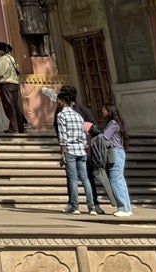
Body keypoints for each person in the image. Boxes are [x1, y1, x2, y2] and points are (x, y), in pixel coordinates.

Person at [54, 84, 99, 214]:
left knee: (73, 179)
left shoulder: (61, 115)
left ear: (62, 101)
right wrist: (86, 148)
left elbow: (62, 135)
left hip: (70, 150)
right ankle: (91, 207)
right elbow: (84, 134)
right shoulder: (79, 115)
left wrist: (62, 153)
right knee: (85, 179)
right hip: (81, 150)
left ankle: (75, 206)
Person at [98, 105, 131, 217]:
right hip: (120, 152)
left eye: (104, 109)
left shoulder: (112, 123)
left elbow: (104, 137)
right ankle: (127, 207)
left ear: (109, 111)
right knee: (120, 180)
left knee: (115, 180)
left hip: (115, 153)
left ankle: (122, 207)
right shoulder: (119, 122)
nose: (102, 111)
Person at [0, 43, 25, 134]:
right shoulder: (11, 58)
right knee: (15, 106)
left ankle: (14, 128)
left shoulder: (3, 59)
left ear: (0, 50)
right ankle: (19, 126)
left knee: (8, 106)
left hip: (6, 84)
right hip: (14, 83)